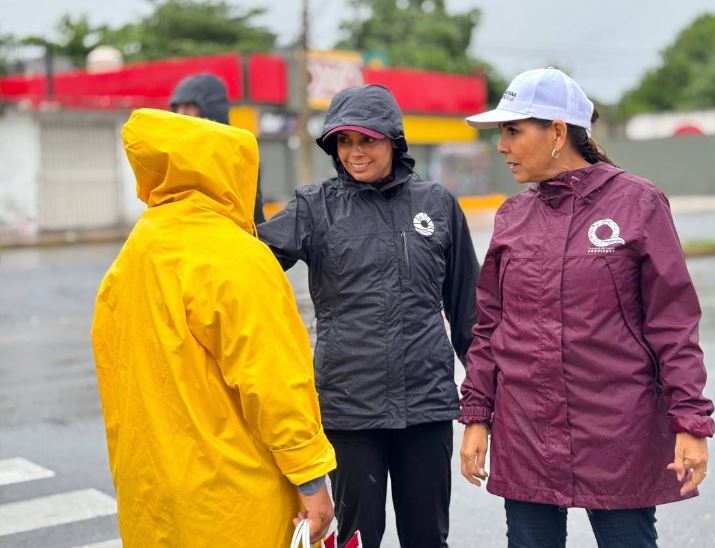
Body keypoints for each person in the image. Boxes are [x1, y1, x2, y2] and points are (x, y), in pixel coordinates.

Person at [458, 68, 715, 548]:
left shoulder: (638, 204)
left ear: (557, 132)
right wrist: (476, 415)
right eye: (501, 133)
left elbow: (673, 322)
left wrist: (690, 422)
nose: (502, 146)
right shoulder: (512, 217)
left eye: (513, 131)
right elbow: (491, 328)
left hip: (616, 430)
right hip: (527, 430)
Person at [91, 108, 336, 547]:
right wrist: (312, 481)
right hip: (233, 497)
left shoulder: (133, 256)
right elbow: (276, 384)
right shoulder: (236, 258)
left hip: (151, 493)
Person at [257, 84, 480, 547]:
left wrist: (481, 407)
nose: (355, 152)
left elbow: (469, 313)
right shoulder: (314, 206)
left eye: (367, 140)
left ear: (393, 142)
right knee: (355, 540)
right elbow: (249, 263)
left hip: (426, 408)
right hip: (349, 411)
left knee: (428, 538)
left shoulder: (436, 204)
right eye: (344, 141)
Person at [169, 72, 266, 224]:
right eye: (178, 107)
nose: (181, 113)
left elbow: (252, 208)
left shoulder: (237, 149)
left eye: (189, 106)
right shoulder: (174, 150)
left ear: (211, 108)